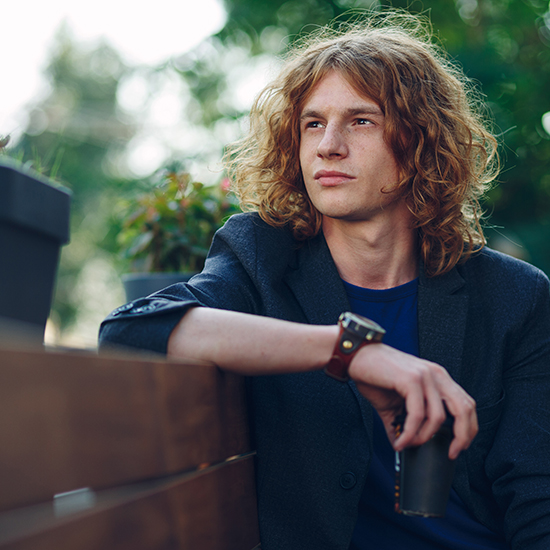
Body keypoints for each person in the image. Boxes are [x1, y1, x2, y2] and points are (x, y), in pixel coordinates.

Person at [99, 12, 550, 550]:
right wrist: (349, 350)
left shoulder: (515, 297)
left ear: (422, 145)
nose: (327, 145)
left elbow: (536, 497)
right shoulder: (263, 259)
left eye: (361, 121)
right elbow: (131, 332)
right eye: (313, 123)